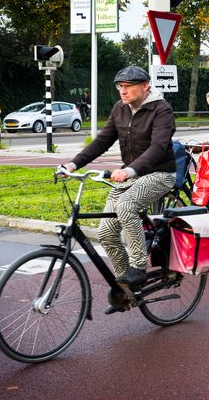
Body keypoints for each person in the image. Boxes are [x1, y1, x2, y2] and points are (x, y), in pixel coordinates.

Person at [62, 66, 176, 311]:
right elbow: (102, 141)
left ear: (145, 85)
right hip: (131, 177)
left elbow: (158, 147)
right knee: (105, 233)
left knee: (126, 206)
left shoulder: (161, 109)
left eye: (128, 87)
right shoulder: (120, 109)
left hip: (159, 174)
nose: (123, 92)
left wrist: (130, 170)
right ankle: (126, 287)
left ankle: (138, 268)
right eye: (120, 87)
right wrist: (72, 164)